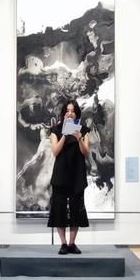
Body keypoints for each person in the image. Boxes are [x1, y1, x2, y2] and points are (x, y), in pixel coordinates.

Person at [47, 101, 90, 254]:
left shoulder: (83, 130)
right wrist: (65, 135)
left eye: (72, 111)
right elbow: (55, 151)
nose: (70, 113)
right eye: (67, 110)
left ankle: (72, 243)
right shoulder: (56, 130)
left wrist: (79, 138)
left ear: (77, 113)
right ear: (64, 113)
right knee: (59, 208)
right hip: (61, 174)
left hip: (77, 174)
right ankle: (63, 244)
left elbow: (85, 152)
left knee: (76, 209)